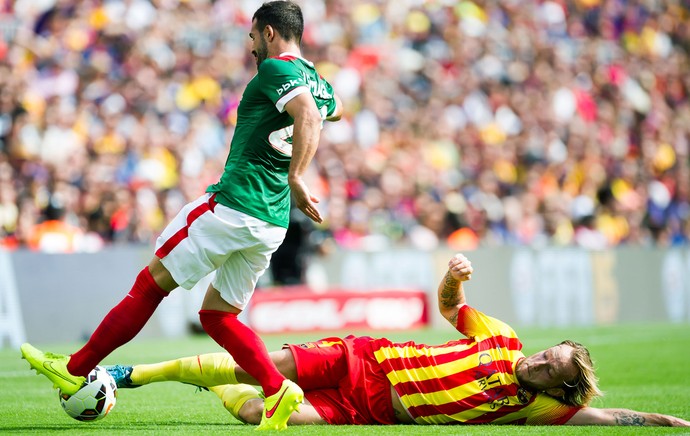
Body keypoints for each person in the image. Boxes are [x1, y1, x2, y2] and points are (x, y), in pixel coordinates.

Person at [20, 1, 343, 431]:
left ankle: (75, 368)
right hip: (271, 222)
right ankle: (276, 387)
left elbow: (306, 113)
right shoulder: (317, 80)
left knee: (149, 286)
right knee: (217, 316)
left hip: (234, 205)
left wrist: (298, 174)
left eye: (251, 36)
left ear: (268, 33)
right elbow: (330, 110)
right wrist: (307, 115)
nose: (249, 46)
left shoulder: (275, 70)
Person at [103, 253, 689, 427]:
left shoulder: (532, 408)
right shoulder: (502, 339)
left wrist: (673, 424)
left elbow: (611, 419)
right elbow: (449, 307)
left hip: (374, 408)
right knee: (253, 364)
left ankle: (216, 392)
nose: (538, 361)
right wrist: (454, 278)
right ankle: (135, 374)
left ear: (559, 387)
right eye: (548, 351)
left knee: (258, 408)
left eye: (549, 366)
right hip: (369, 356)